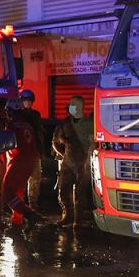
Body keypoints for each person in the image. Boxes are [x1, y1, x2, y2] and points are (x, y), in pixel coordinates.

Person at [0, 97, 44, 228]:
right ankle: (17, 220)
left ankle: (30, 214)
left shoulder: (12, 126)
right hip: (30, 160)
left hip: (18, 161)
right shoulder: (27, 124)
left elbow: (5, 145)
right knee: (18, 191)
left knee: (7, 192)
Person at [52, 95, 93, 227]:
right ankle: (67, 216)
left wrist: (88, 160)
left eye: (73, 104)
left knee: (80, 193)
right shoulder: (65, 123)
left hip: (83, 162)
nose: (70, 107)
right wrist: (63, 154)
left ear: (80, 106)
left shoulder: (88, 123)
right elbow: (55, 141)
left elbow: (93, 143)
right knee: (63, 190)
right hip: (68, 162)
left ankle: (78, 220)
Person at [15, 89, 48, 212]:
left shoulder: (35, 115)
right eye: (25, 101)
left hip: (34, 152)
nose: (27, 103)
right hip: (21, 153)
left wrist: (42, 152)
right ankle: (20, 206)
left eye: (29, 101)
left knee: (35, 180)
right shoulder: (18, 115)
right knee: (21, 180)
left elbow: (39, 134)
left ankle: (33, 205)